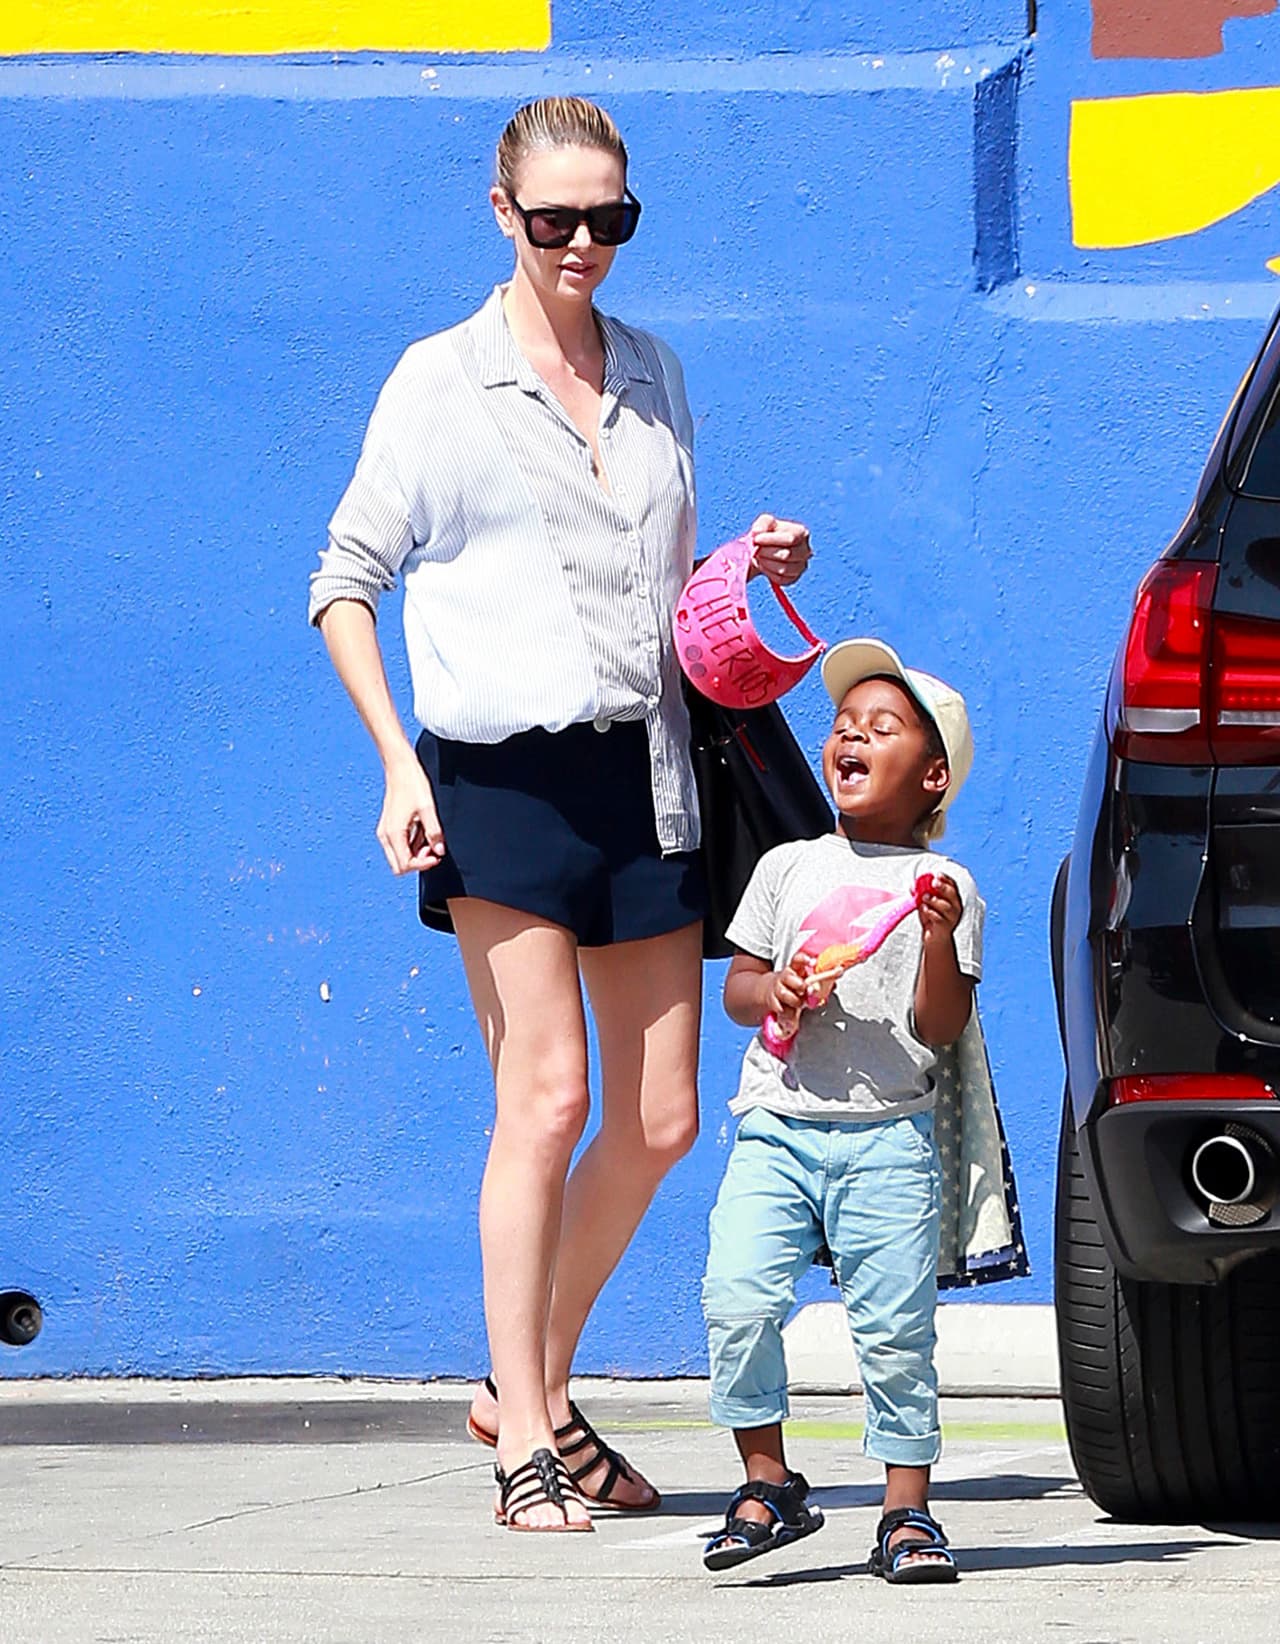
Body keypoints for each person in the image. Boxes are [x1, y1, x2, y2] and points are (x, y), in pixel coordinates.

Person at [308, 95, 813, 1533]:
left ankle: (524, 1380)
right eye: (557, 221)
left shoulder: (653, 372)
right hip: (502, 781)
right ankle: (526, 1433)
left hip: (647, 770)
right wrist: (399, 766)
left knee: (658, 1119)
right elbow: (346, 579)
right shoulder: (438, 383)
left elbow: (647, 580)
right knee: (548, 1096)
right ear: (503, 214)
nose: (586, 244)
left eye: (612, 220)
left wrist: (746, 561)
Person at [699, 637, 980, 1583]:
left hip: (888, 1137)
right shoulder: (787, 867)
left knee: (896, 1330)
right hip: (777, 1124)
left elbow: (939, 1026)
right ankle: (769, 1480)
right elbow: (736, 985)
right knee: (736, 1298)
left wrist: (938, 943)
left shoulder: (943, 890)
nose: (850, 737)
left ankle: (906, 1511)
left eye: (882, 728)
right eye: (842, 727)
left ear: (931, 775)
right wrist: (771, 989)